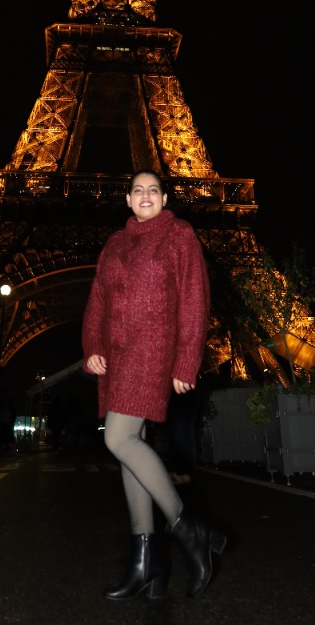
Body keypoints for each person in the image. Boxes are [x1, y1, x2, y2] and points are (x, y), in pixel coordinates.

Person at [82, 169, 226, 601]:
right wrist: (92, 344)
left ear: (164, 199)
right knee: (130, 451)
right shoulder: (114, 244)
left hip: (152, 350)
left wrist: (187, 358)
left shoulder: (180, 236)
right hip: (118, 354)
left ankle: (187, 527)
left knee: (119, 437)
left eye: (153, 190)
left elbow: (194, 299)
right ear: (127, 200)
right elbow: (98, 300)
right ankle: (147, 562)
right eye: (137, 190)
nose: (145, 196)